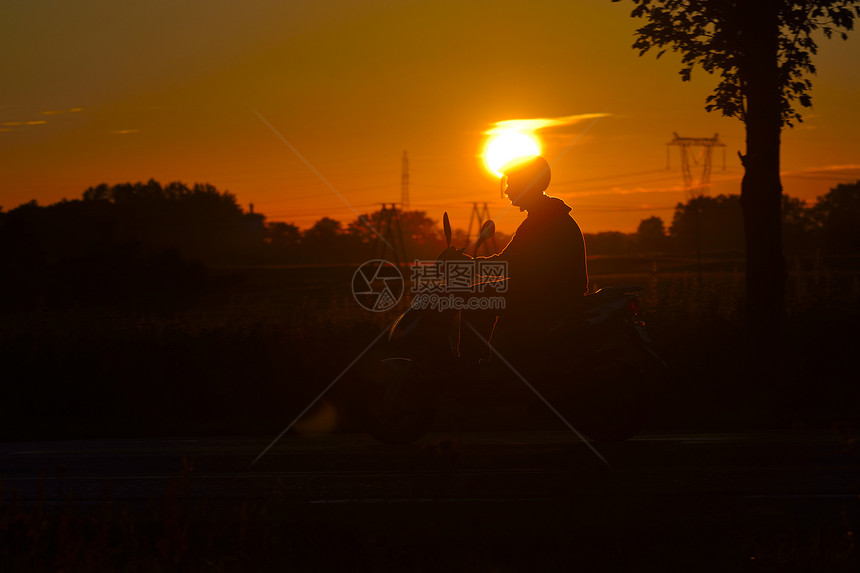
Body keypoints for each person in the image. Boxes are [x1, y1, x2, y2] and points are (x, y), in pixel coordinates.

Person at [458, 155, 589, 363]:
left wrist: (466, 265)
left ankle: (472, 369)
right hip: (550, 292)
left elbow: (507, 265)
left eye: (511, 183)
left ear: (528, 184)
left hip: (549, 296)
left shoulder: (544, 219)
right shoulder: (546, 215)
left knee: (476, 299)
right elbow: (514, 263)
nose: (507, 190)